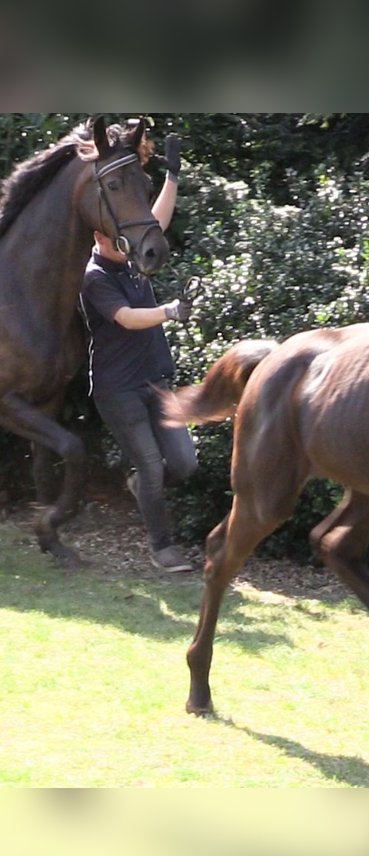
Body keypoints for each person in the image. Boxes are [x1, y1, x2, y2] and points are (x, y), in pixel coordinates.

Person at [79, 130, 199, 573]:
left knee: (184, 464)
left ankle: (140, 486)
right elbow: (128, 318)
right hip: (118, 391)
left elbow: (157, 221)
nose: (123, 238)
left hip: (155, 379)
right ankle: (162, 548)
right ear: (98, 235)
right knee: (151, 466)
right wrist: (169, 310)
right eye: (114, 237)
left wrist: (172, 175)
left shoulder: (129, 256)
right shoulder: (95, 278)